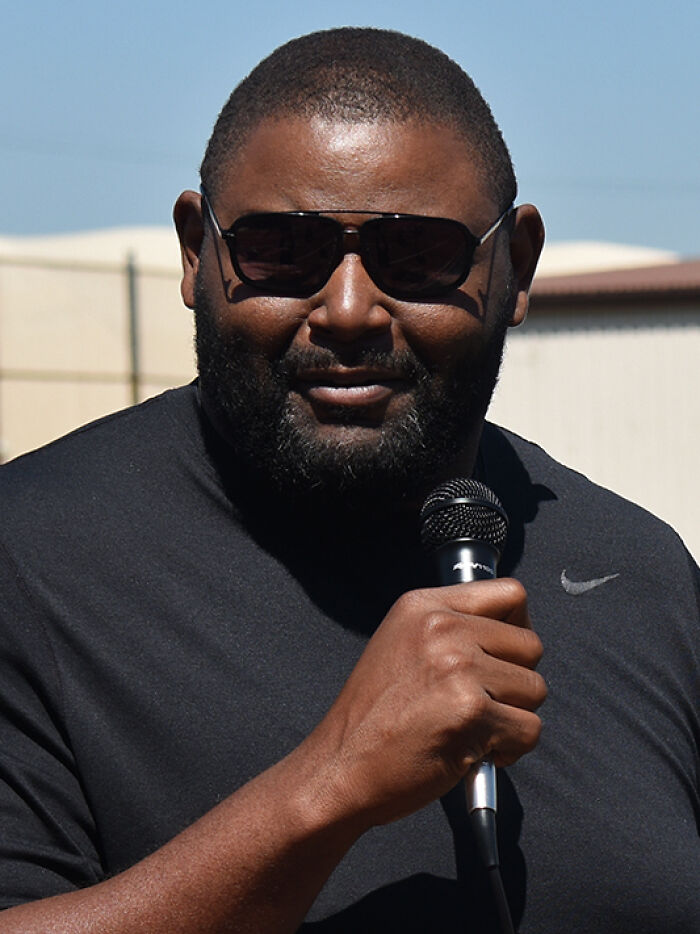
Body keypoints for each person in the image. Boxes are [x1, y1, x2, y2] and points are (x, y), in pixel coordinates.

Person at [0, 27, 698, 934]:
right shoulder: (30, 562)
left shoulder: (642, 573)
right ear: (196, 254)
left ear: (516, 268)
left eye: (419, 258)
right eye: (282, 250)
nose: (348, 309)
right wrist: (330, 784)